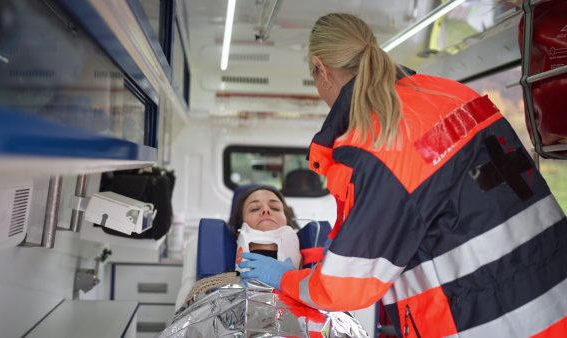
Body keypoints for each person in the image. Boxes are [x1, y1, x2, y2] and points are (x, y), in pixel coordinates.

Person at [238, 13, 567, 338]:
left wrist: (285, 279)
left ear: (321, 69)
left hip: (488, 317)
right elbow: (447, 203)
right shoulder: (452, 94)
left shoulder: (374, 143)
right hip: (555, 294)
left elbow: (343, 290)